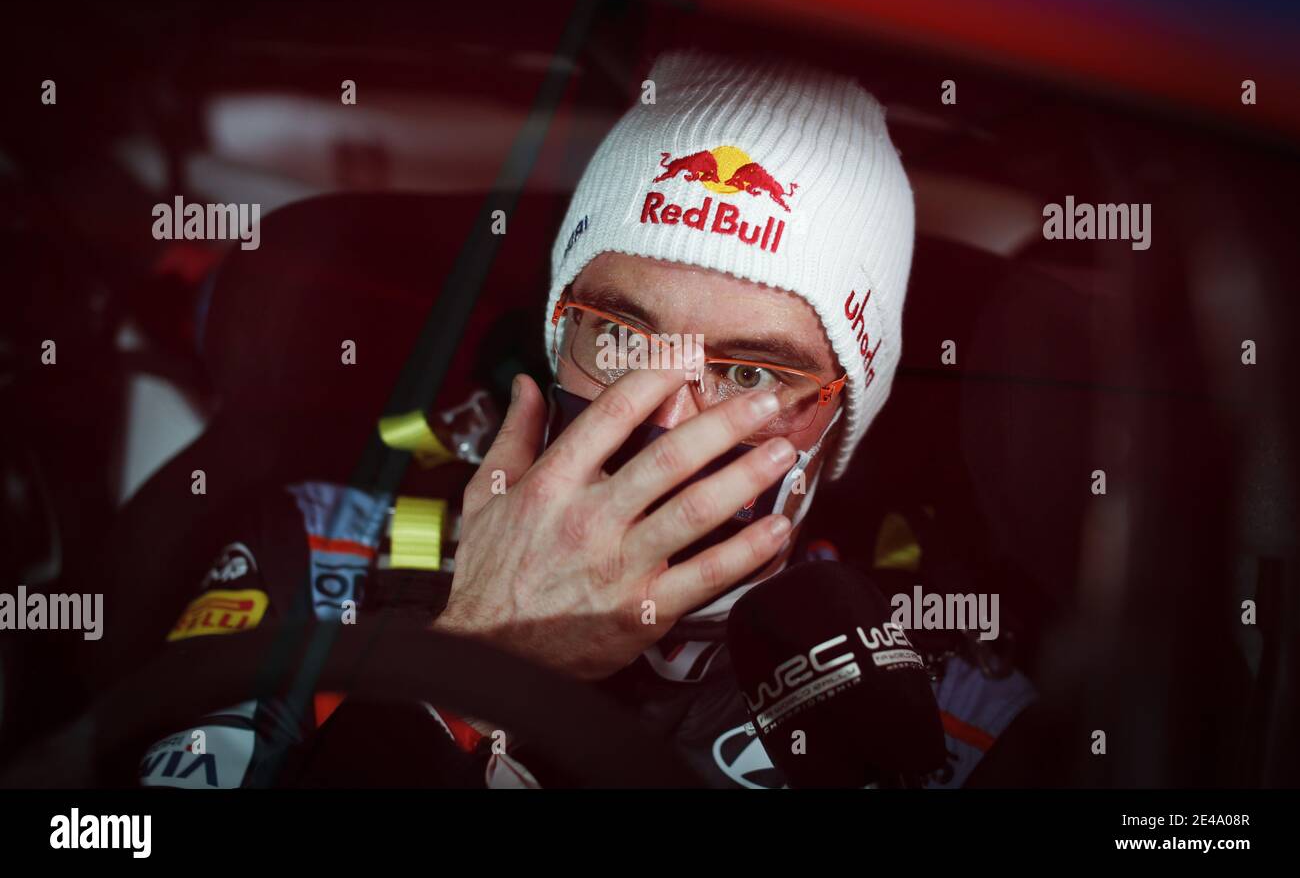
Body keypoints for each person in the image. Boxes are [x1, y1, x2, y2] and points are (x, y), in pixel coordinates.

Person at [139, 50, 1035, 789]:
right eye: (619, 337)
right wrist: (474, 663)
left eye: (750, 372)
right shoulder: (324, 552)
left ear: (839, 422)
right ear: (556, 333)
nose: (666, 419)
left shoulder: (948, 701)